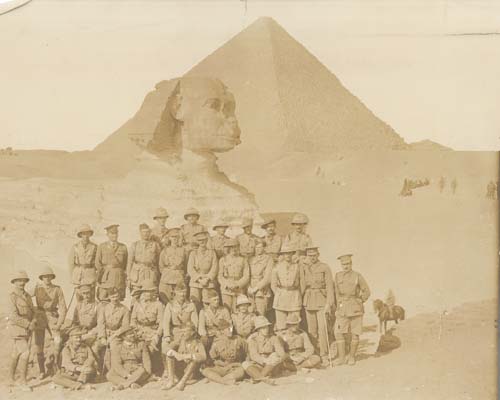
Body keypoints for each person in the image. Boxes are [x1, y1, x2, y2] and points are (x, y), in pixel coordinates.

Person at [333, 254, 371, 366]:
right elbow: (336, 293)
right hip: (342, 308)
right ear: (341, 265)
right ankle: (341, 358)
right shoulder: (337, 276)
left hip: (355, 308)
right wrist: (337, 306)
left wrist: (360, 301)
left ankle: (351, 357)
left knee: (355, 333)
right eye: (344, 264)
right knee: (338, 333)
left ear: (351, 264)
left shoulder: (357, 276)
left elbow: (367, 291)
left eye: (348, 264)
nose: (346, 266)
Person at [301, 246, 335, 365]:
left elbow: (330, 287)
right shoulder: (304, 267)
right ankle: (316, 354)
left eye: (314, 255)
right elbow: (301, 285)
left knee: (323, 329)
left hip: (321, 300)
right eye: (310, 255)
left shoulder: (324, 267)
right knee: (311, 331)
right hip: (308, 300)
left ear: (318, 254)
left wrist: (329, 304)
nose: (312, 257)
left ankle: (324, 355)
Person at [33, 266, 67, 377]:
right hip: (40, 317)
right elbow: (25, 297)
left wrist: (60, 322)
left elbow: (63, 307)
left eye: (49, 276)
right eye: (44, 277)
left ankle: (55, 368)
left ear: (52, 277)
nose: (47, 278)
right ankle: (42, 371)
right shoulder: (37, 288)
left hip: (53, 316)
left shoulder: (57, 289)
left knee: (58, 341)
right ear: (41, 278)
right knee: (39, 344)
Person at [7, 270, 37, 391]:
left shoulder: (28, 296)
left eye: (24, 280)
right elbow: (13, 316)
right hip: (17, 328)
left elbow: (33, 310)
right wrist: (28, 324)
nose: (22, 283)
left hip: (27, 328)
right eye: (19, 280)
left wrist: (34, 320)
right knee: (25, 352)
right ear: (14, 282)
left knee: (16, 353)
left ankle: (10, 378)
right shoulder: (12, 297)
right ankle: (22, 382)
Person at [130, 280, 164, 375]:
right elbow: (133, 321)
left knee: (152, 347)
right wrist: (137, 331)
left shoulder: (158, 305)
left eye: (150, 291)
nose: (147, 294)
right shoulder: (137, 304)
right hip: (139, 331)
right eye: (145, 291)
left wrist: (157, 335)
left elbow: (161, 323)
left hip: (152, 331)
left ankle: (152, 371)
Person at [201, 319, 247, 385]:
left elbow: (247, 353)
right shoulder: (217, 342)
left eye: (231, 329)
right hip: (222, 367)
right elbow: (212, 358)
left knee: (241, 372)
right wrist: (221, 363)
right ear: (222, 331)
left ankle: (215, 379)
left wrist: (239, 364)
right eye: (228, 329)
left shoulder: (238, 339)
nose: (231, 331)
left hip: (234, 367)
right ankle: (224, 381)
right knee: (205, 371)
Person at [163, 323, 207, 391]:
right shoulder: (181, 340)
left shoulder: (198, 343)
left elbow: (204, 356)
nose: (183, 334)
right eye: (182, 331)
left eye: (185, 331)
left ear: (192, 333)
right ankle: (171, 381)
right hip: (181, 370)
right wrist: (175, 353)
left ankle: (182, 382)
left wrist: (187, 356)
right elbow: (166, 348)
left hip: (191, 373)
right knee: (169, 355)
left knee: (195, 360)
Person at [243, 316, 286, 385]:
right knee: (245, 363)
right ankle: (264, 379)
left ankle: (257, 378)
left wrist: (277, 359)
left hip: (271, 366)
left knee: (274, 355)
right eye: (263, 328)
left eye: (267, 327)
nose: (266, 330)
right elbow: (254, 355)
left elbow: (282, 353)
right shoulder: (253, 340)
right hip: (260, 363)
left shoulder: (273, 338)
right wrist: (264, 361)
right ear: (258, 330)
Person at [162, 282, 199, 361]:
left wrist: (191, 334)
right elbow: (166, 322)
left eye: (184, 292)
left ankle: (189, 372)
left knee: (193, 348)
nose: (182, 294)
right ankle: (168, 370)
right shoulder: (170, 305)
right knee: (165, 346)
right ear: (175, 292)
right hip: (175, 332)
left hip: (188, 332)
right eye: (180, 292)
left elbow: (195, 323)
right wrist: (167, 335)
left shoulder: (191, 305)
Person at [271, 245, 304, 331]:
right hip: (281, 297)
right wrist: (280, 293)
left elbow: (302, 283)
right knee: (281, 326)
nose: (288, 256)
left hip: (294, 297)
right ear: (282, 255)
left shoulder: (297, 267)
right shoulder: (277, 267)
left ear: (292, 254)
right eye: (285, 254)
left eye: (290, 253)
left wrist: (298, 294)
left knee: (294, 326)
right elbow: (273, 285)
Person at [107, 326, 152, 390]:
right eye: (129, 334)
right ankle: (131, 384)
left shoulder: (141, 344)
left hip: (137, 369)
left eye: (133, 333)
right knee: (110, 374)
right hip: (125, 369)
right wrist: (126, 374)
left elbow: (146, 361)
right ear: (123, 337)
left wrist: (148, 373)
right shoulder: (118, 347)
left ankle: (122, 385)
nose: (132, 335)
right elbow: (117, 365)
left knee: (142, 370)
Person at [97, 288, 130, 371]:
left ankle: (114, 370)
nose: (115, 299)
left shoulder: (124, 309)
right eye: (112, 297)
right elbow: (101, 323)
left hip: (117, 334)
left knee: (113, 347)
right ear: (109, 297)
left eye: (116, 296)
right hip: (105, 332)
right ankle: (99, 369)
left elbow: (125, 326)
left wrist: (114, 335)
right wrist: (102, 337)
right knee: (95, 347)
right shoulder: (104, 308)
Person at [127, 223, 161, 301]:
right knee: (136, 295)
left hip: (150, 273)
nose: (146, 234)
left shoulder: (155, 245)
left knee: (151, 295)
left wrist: (158, 275)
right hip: (137, 274)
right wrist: (128, 277)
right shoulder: (135, 245)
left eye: (147, 232)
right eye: (143, 232)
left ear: (150, 233)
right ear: (140, 233)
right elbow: (129, 262)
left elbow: (158, 261)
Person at [95, 224, 128, 301]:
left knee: (117, 298)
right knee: (103, 298)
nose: (114, 235)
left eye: (116, 233)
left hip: (118, 277)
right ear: (107, 235)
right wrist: (102, 274)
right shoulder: (102, 246)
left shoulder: (123, 247)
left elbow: (125, 263)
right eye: (112, 233)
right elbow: (97, 262)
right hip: (106, 276)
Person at [70, 284, 101, 363]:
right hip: (80, 332)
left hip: (93, 332)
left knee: (94, 349)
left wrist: (91, 332)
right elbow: (75, 322)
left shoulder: (97, 306)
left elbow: (100, 324)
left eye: (88, 293)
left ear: (91, 293)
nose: (86, 295)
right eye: (84, 293)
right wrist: (77, 333)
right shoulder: (79, 305)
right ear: (81, 294)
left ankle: (97, 368)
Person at [187, 230, 218, 305]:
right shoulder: (193, 253)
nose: (202, 242)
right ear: (197, 241)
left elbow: (215, 267)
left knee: (208, 303)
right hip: (195, 282)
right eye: (199, 240)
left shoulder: (212, 253)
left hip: (208, 282)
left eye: (204, 240)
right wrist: (199, 279)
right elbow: (190, 269)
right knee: (194, 303)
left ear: (207, 240)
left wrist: (207, 279)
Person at [218, 238, 250, 311]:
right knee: (227, 310)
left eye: (236, 246)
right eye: (231, 247)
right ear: (228, 248)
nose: (234, 249)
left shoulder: (243, 260)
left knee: (238, 310)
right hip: (226, 289)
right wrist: (226, 285)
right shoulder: (223, 260)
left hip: (239, 289)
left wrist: (238, 285)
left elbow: (246, 276)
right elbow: (220, 276)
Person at [69, 224, 98, 301]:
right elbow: (71, 264)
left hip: (90, 276)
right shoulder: (75, 247)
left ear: (90, 234)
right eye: (83, 234)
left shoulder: (94, 247)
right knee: (79, 299)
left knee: (90, 299)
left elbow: (97, 263)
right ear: (80, 235)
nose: (85, 236)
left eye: (87, 233)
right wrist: (73, 278)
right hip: (79, 277)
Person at [158, 227, 187, 304]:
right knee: (165, 300)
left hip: (179, 278)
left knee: (179, 300)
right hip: (166, 279)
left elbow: (185, 266)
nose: (175, 239)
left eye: (176, 237)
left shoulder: (183, 250)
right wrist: (168, 272)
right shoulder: (165, 250)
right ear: (169, 238)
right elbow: (161, 266)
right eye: (172, 237)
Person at [247, 240, 274, 316]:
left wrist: (256, 288)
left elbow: (268, 277)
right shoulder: (250, 259)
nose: (258, 249)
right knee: (251, 313)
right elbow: (247, 274)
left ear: (264, 248)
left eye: (260, 247)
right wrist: (248, 287)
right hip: (250, 290)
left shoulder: (269, 259)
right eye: (256, 247)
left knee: (261, 314)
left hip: (262, 291)